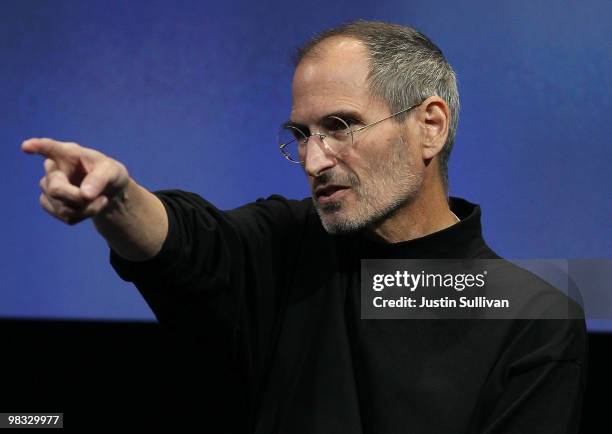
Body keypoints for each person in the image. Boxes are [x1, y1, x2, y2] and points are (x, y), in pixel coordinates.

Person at [22, 21, 586, 434]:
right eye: (302, 134)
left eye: (341, 126)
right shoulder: (288, 245)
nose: (315, 160)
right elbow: (190, 242)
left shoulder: (535, 315)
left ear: (430, 127)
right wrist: (116, 199)